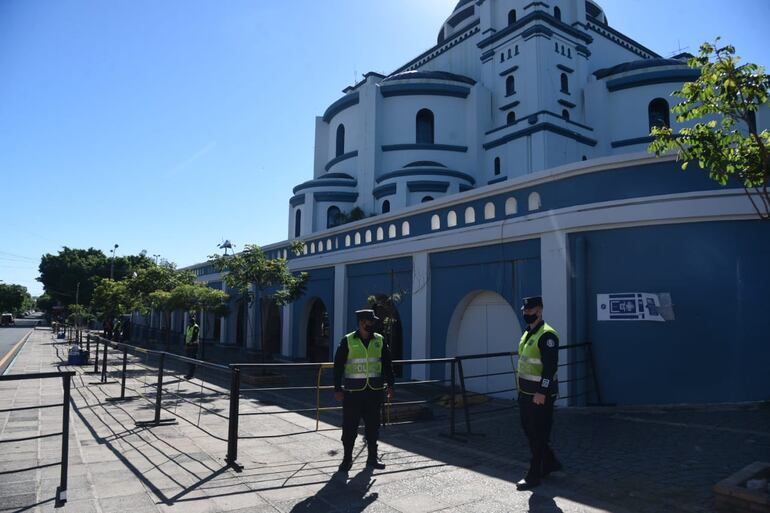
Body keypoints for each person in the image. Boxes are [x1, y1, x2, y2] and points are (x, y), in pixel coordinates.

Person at [333, 309, 395, 472]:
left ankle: (372, 458)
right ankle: (347, 460)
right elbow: (338, 366)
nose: (374, 324)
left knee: (373, 427)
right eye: (370, 321)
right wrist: (337, 388)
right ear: (361, 323)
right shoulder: (348, 340)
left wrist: (391, 385)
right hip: (353, 393)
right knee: (349, 427)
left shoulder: (380, 340)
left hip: (374, 391)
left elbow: (388, 364)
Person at [515, 296, 562, 490]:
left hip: (539, 396)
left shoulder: (547, 335)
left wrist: (542, 391)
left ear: (540, 310)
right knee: (529, 430)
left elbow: (550, 369)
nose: (527, 313)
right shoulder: (528, 332)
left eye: (531, 310)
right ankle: (550, 462)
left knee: (538, 433)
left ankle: (534, 475)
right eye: (525, 311)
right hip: (525, 393)